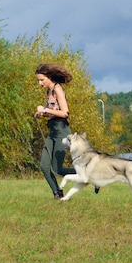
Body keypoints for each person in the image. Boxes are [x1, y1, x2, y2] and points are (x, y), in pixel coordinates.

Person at [34, 63, 76, 199]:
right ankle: (57, 193)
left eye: (42, 80)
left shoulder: (58, 89)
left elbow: (65, 113)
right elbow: (54, 112)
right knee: (44, 166)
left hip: (62, 132)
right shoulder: (49, 91)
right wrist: (42, 114)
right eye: (38, 80)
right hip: (52, 131)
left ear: (49, 77)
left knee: (57, 169)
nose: (40, 83)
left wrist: (45, 110)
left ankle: (90, 175)